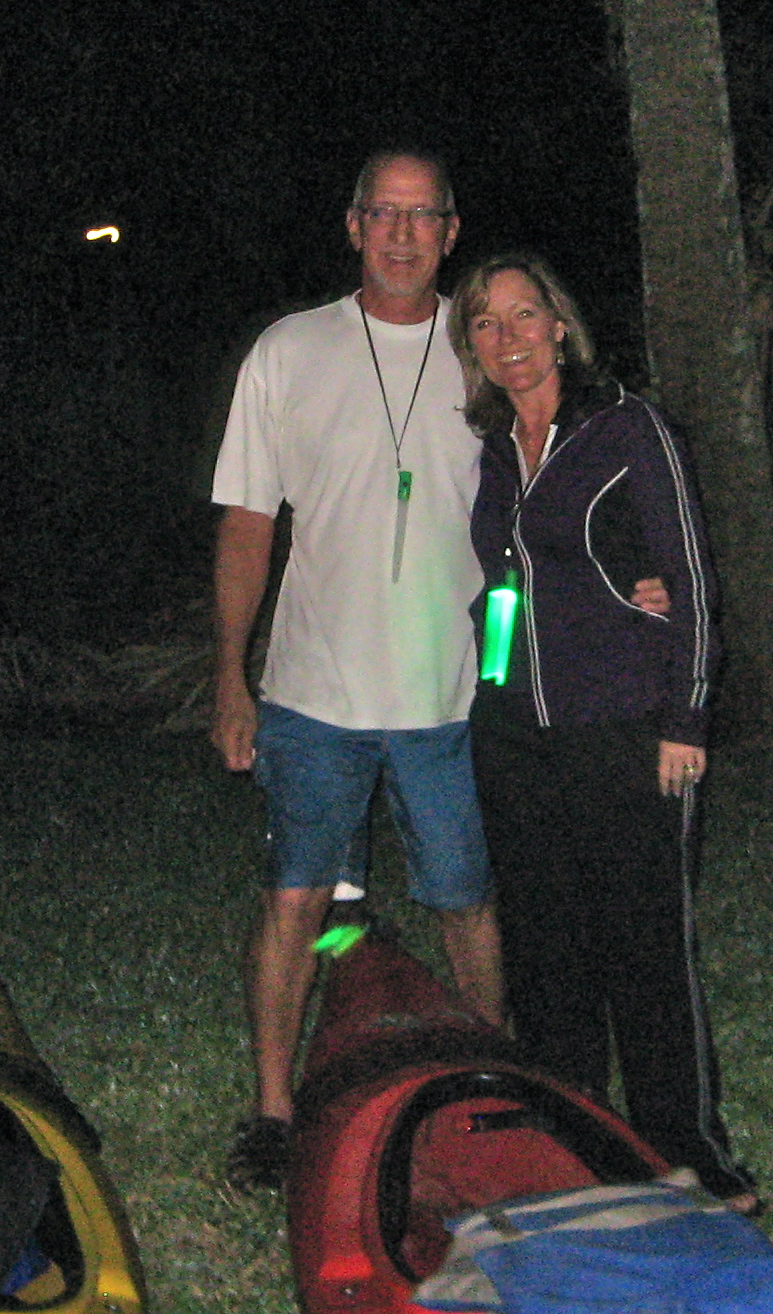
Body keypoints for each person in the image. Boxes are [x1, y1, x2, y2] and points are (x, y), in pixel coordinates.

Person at [209, 150, 505, 1191]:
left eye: (424, 217)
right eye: (385, 213)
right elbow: (248, 525)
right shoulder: (289, 351)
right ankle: (273, 1113)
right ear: (352, 225)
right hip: (312, 692)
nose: (403, 234)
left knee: (466, 900)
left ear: (452, 232)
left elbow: (556, 494)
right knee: (294, 898)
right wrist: (231, 676)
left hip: (450, 694)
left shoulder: (487, 351)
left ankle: (494, 1082)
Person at [447, 253, 759, 1209]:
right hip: (516, 738)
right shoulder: (493, 447)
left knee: (645, 946)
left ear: (559, 324)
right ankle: (571, 1140)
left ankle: (689, 1151)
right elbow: (508, 583)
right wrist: (493, 672)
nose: (508, 338)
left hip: (626, 728)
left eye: (523, 315)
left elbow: (691, 577)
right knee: (547, 951)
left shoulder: (629, 428)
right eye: (486, 323)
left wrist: (686, 715)